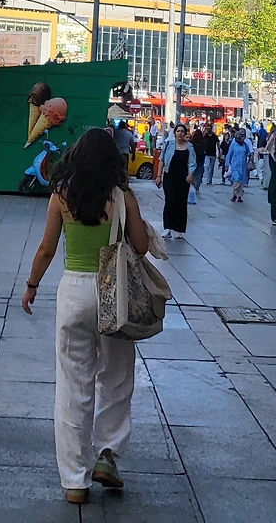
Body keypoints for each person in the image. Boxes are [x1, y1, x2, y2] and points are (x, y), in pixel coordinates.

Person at [21, 127, 153, 503]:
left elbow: (47, 249)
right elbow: (141, 246)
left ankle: (74, 481)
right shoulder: (123, 196)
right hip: (114, 292)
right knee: (116, 378)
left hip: (74, 292)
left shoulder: (61, 195)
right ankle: (107, 456)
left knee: (72, 385)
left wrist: (32, 285)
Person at [159, 123, 195, 239]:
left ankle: (179, 229)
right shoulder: (168, 144)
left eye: (182, 131)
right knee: (170, 200)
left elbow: (192, 162)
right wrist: (158, 175)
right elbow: (161, 160)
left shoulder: (189, 147)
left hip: (183, 179)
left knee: (181, 203)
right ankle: (167, 228)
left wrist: (190, 174)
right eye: (178, 131)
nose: (180, 133)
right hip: (169, 176)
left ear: (185, 134)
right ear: (174, 133)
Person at [225, 129, 250, 203]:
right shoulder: (233, 145)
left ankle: (239, 196)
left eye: (244, 136)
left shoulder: (245, 145)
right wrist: (227, 164)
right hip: (235, 165)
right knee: (236, 180)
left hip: (243, 166)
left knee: (242, 181)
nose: (243, 138)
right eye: (241, 136)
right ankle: (234, 194)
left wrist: (250, 156)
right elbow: (229, 155)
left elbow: (248, 153)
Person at [190, 122, 214, 188]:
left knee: (193, 171)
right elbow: (205, 148)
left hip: (193, 159)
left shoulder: (192, 141)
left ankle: (193, 183)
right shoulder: (203, 141)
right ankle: (196, 185)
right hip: (201, 159)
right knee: (199, 172)